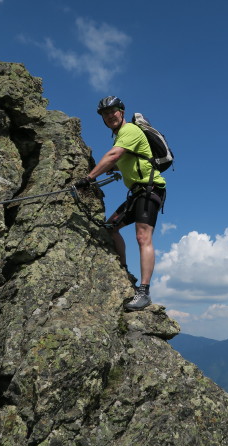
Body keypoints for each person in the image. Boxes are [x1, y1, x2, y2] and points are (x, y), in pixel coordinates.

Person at [74, 96, 166, 311]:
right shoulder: (120, 137)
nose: (109, 116)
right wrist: (114, 170)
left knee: (143, 237)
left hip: (150, 190)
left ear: (122, 112)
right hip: (136, 193)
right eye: (105, 114)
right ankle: (123, 269)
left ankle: (144, 292)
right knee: (110, 228)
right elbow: (121, 161)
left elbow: (114, 155)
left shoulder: (130, 131)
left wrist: (89, 178)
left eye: (113, 111)